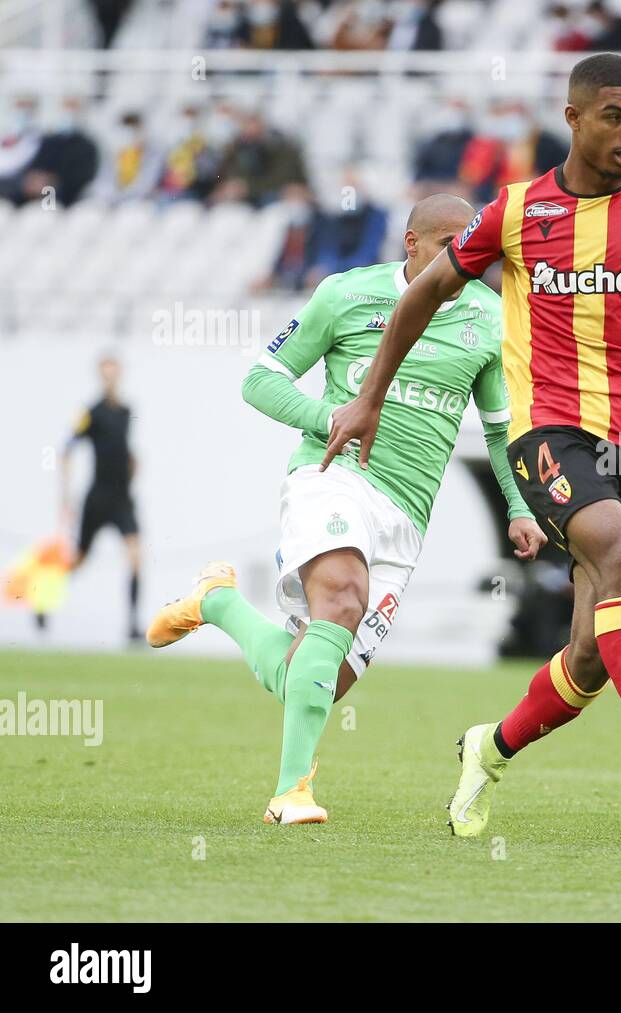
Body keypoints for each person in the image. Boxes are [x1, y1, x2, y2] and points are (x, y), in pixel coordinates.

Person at [326, 53, 621, 836]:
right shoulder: (517, 212)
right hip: (548, 434)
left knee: (593, 654)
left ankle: (486, 749)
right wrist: (370, 394)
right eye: (615, 116)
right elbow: (423, 294)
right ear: (573, 118)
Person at [145, 196, 546, 825]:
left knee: (316, 675)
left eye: (475, 248)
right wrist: (329, 417)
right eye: (450, 245)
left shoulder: (490, 319)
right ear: (411, 243)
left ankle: (216, 602)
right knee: (341, 598)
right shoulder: (345, 294)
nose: (464, 260)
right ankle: (291, 792)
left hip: (407, 516)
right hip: (333, 478)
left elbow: (500, 431)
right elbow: (261, 379)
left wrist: (519, 507)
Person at [59, 354, 143, 641]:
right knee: (79, 558)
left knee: (135, 556)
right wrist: (66, 496)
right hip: (98, 496)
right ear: (99, 376)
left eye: (114, 372)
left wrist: (133, 465)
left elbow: (123, 449)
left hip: (122, 497)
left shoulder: (125, 410)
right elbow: (67, 447)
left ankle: (133, 624)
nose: (110, 377)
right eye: (105, 373)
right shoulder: (91, 412)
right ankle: (42, 598)